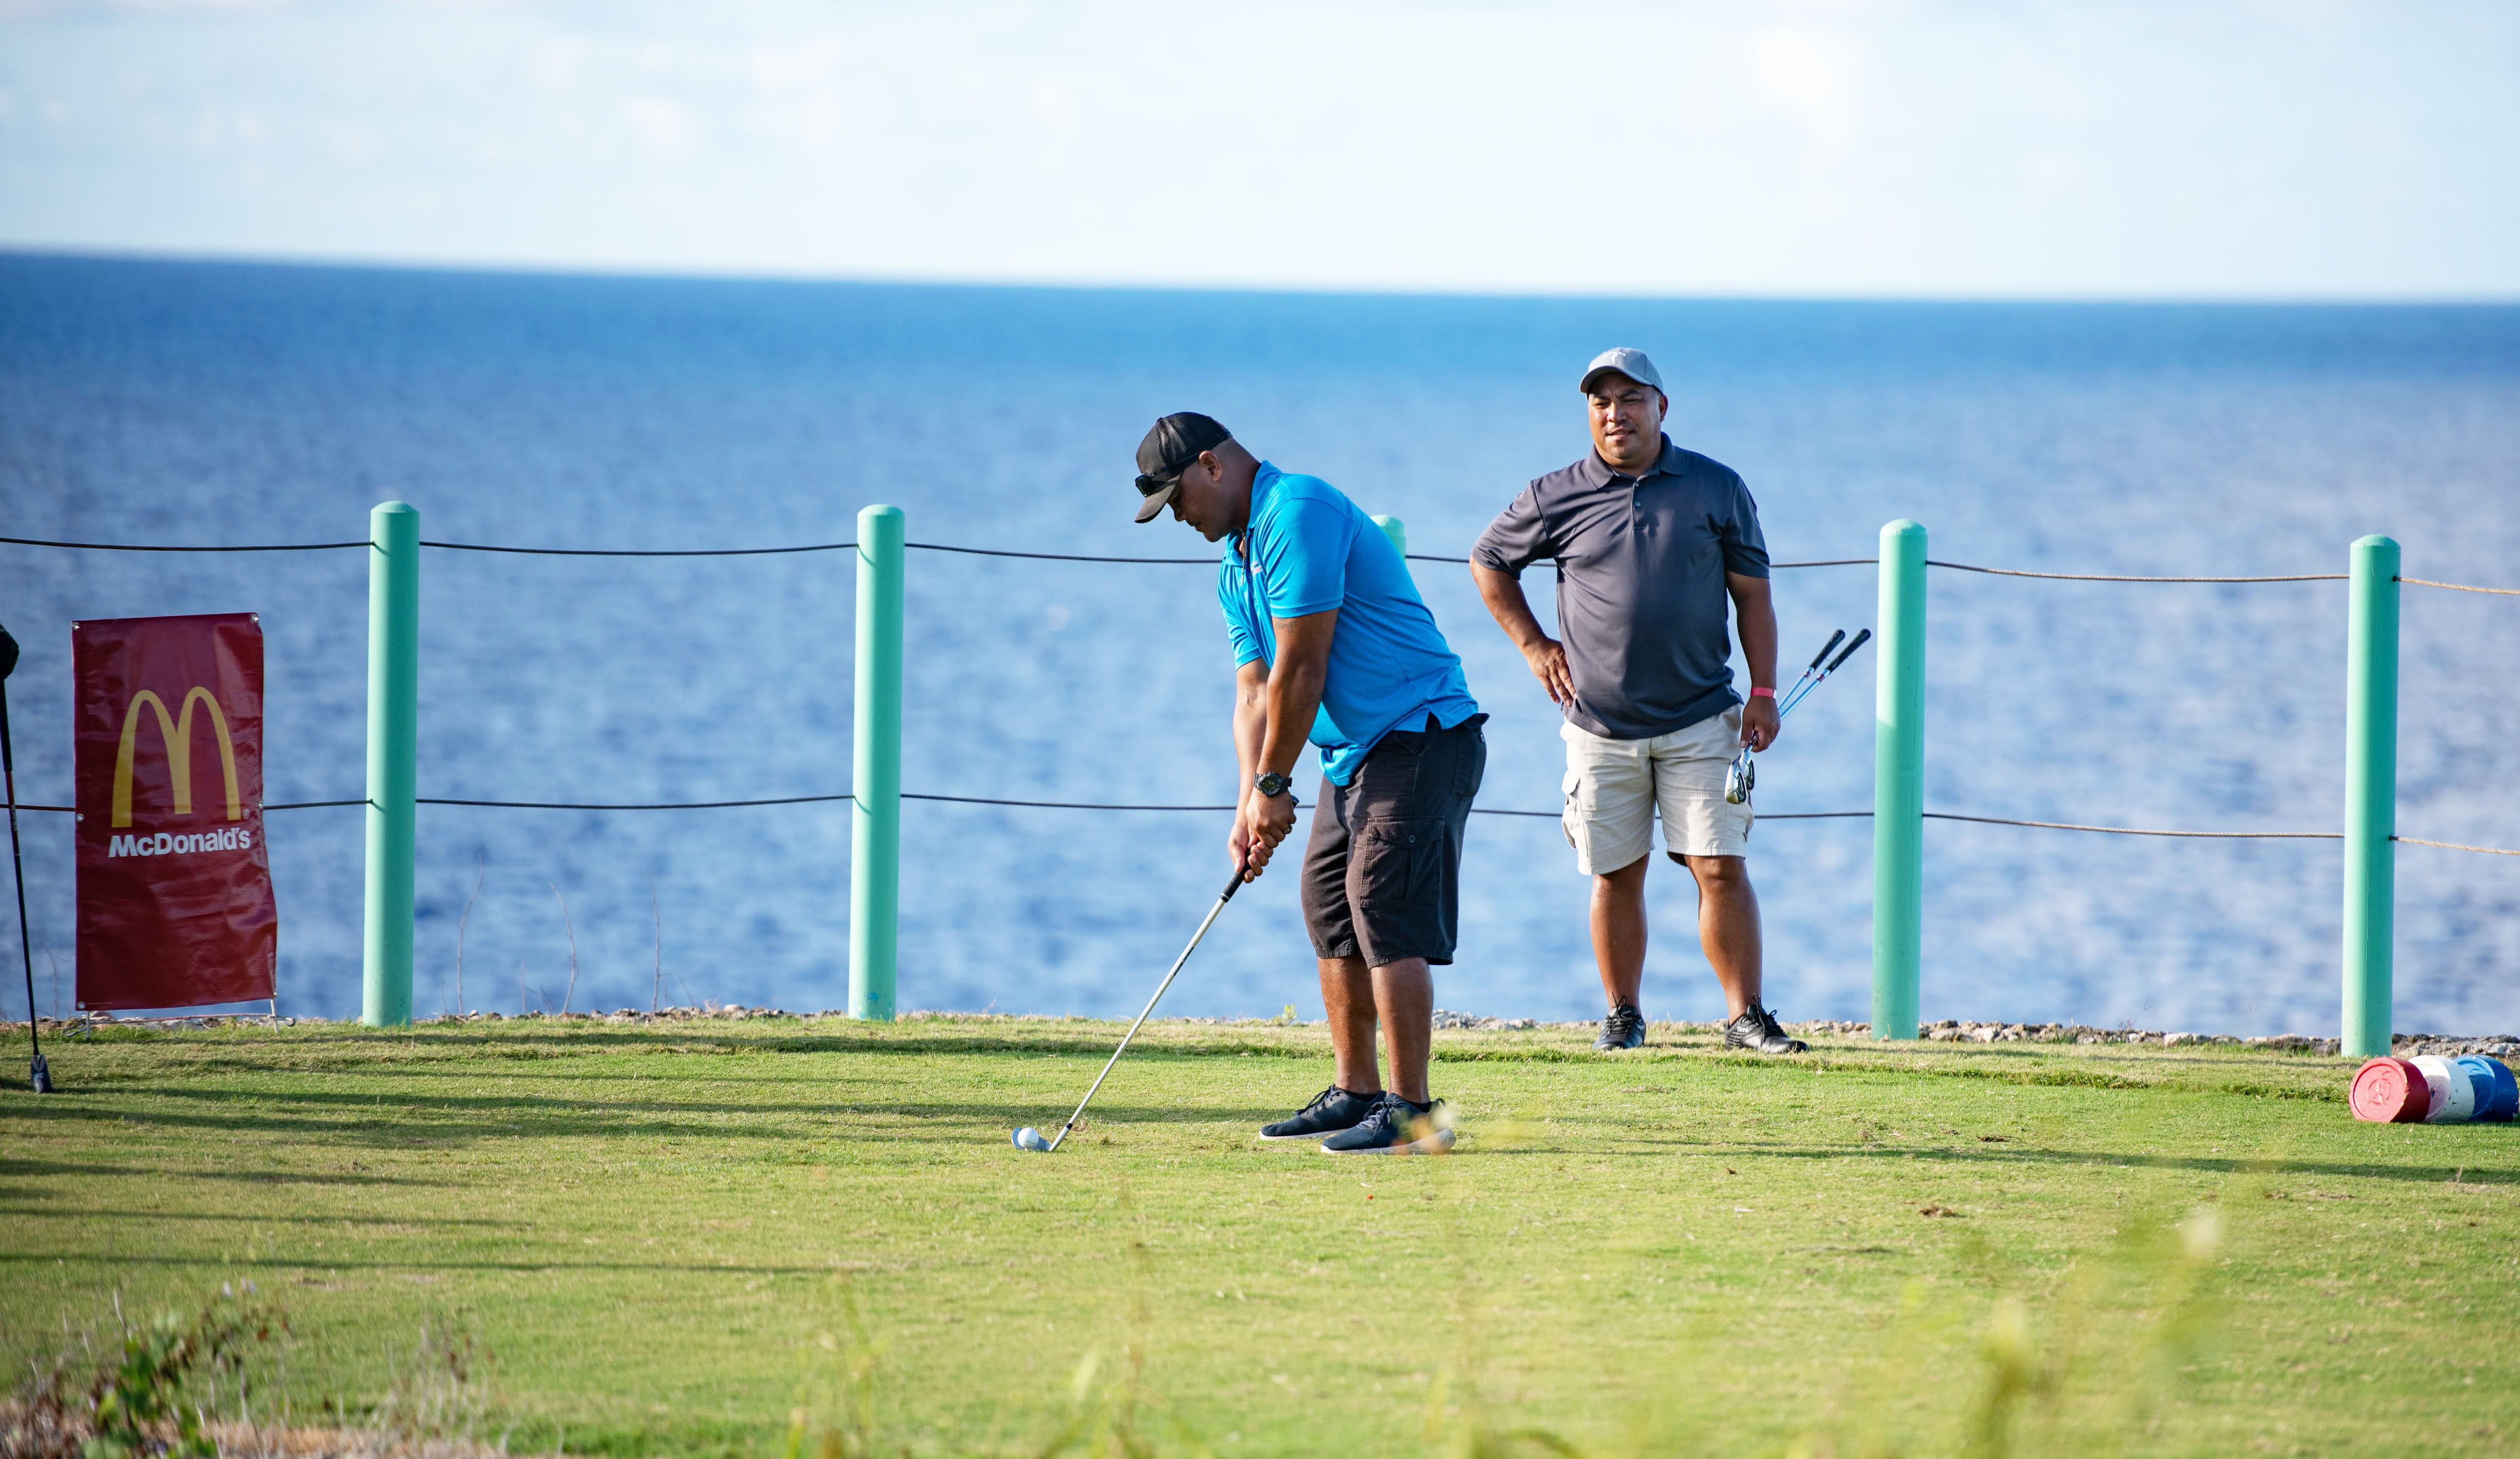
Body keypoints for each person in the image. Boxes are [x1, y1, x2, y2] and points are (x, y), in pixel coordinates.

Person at [1132, 411, 1486, 1154]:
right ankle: (1357, 1092)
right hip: (1354, 752)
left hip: (1421, 733)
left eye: (1178, 498)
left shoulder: (1298, 511)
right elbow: (1253, 693)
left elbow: (1303, 667)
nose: (1179, 517)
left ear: (1212, 466)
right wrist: (1249, 801)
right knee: (1328, 903)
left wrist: (1274, 781)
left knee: (1381, 902)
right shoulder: (1236, 565)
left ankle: (1414, 1111)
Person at [1468, 348, 1806, 1056]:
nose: (1615, 414)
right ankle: (1623, 1018)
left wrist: (1764, 692)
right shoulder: (1553, 494)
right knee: (1616, 874)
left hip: (1702, 715)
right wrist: (1533, 646)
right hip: (1599, 725)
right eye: (1601, 402)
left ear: (1661, 407)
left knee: (1720, 865)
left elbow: (1754, 597)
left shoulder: (1718, 487)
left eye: (1630, 399)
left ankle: (1746, 1018)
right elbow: (1490, 560)